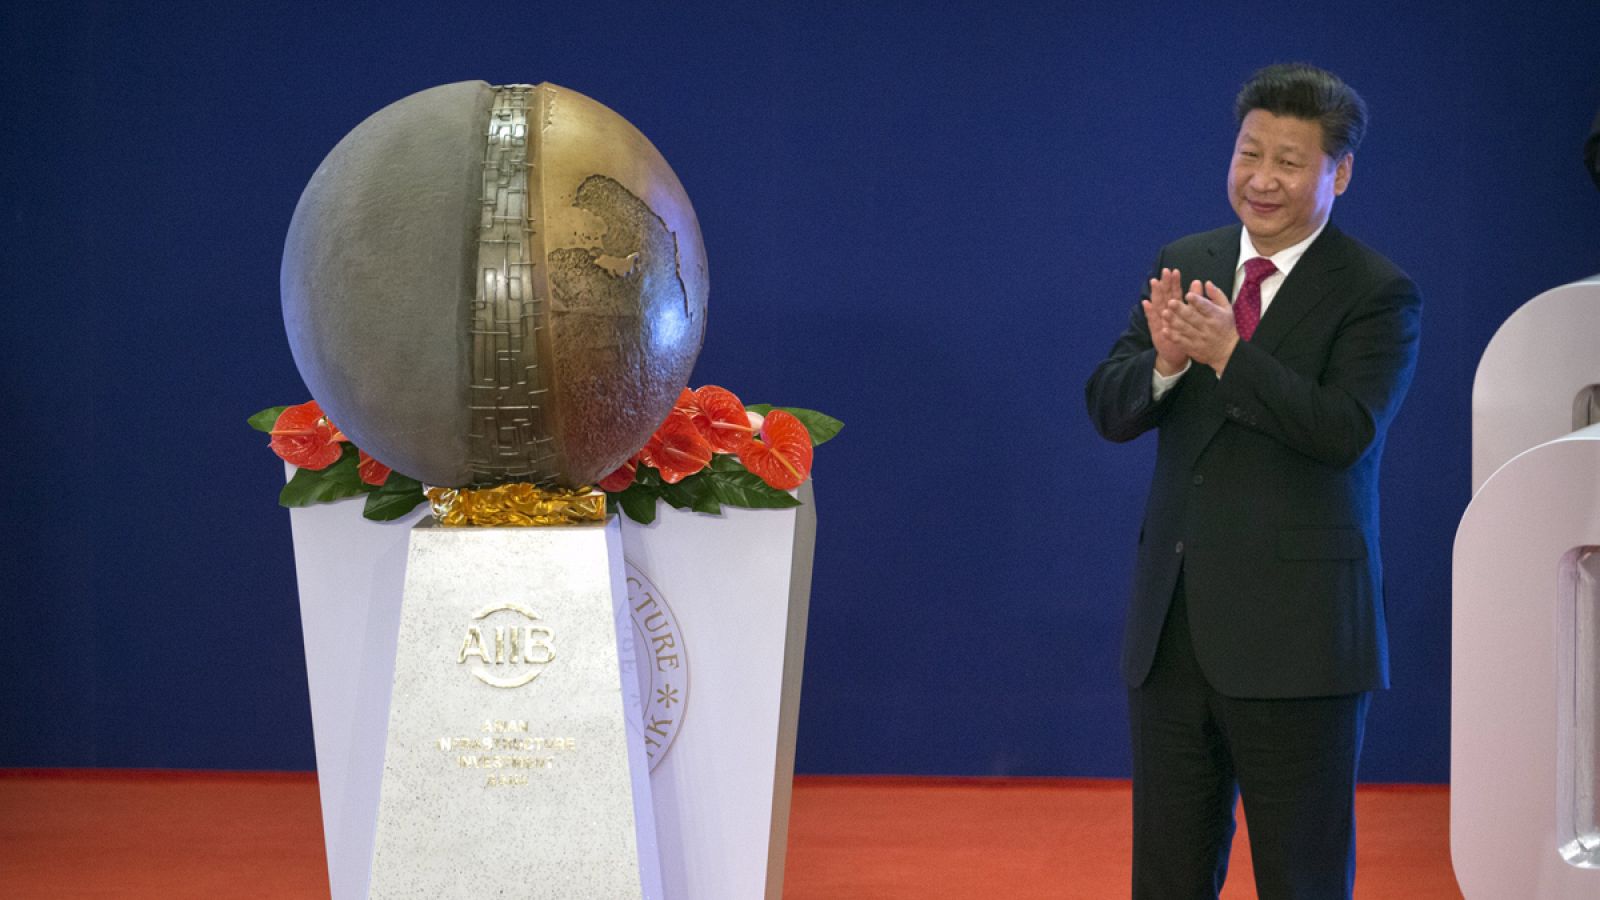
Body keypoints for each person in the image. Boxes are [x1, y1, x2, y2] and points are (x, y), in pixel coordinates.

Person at [1084, 63, 1421, 899]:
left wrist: (1231, 356)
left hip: (1300, 642)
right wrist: (1162, 363)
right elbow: (1110, 406)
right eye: (1249, 153)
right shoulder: (1187, 260)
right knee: (1167, 874)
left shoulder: (1377, 294)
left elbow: (1343, 431)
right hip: (1174, 633)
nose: (1262, 179)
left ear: (1339, 173)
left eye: (1290, 161)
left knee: (1300, 877)